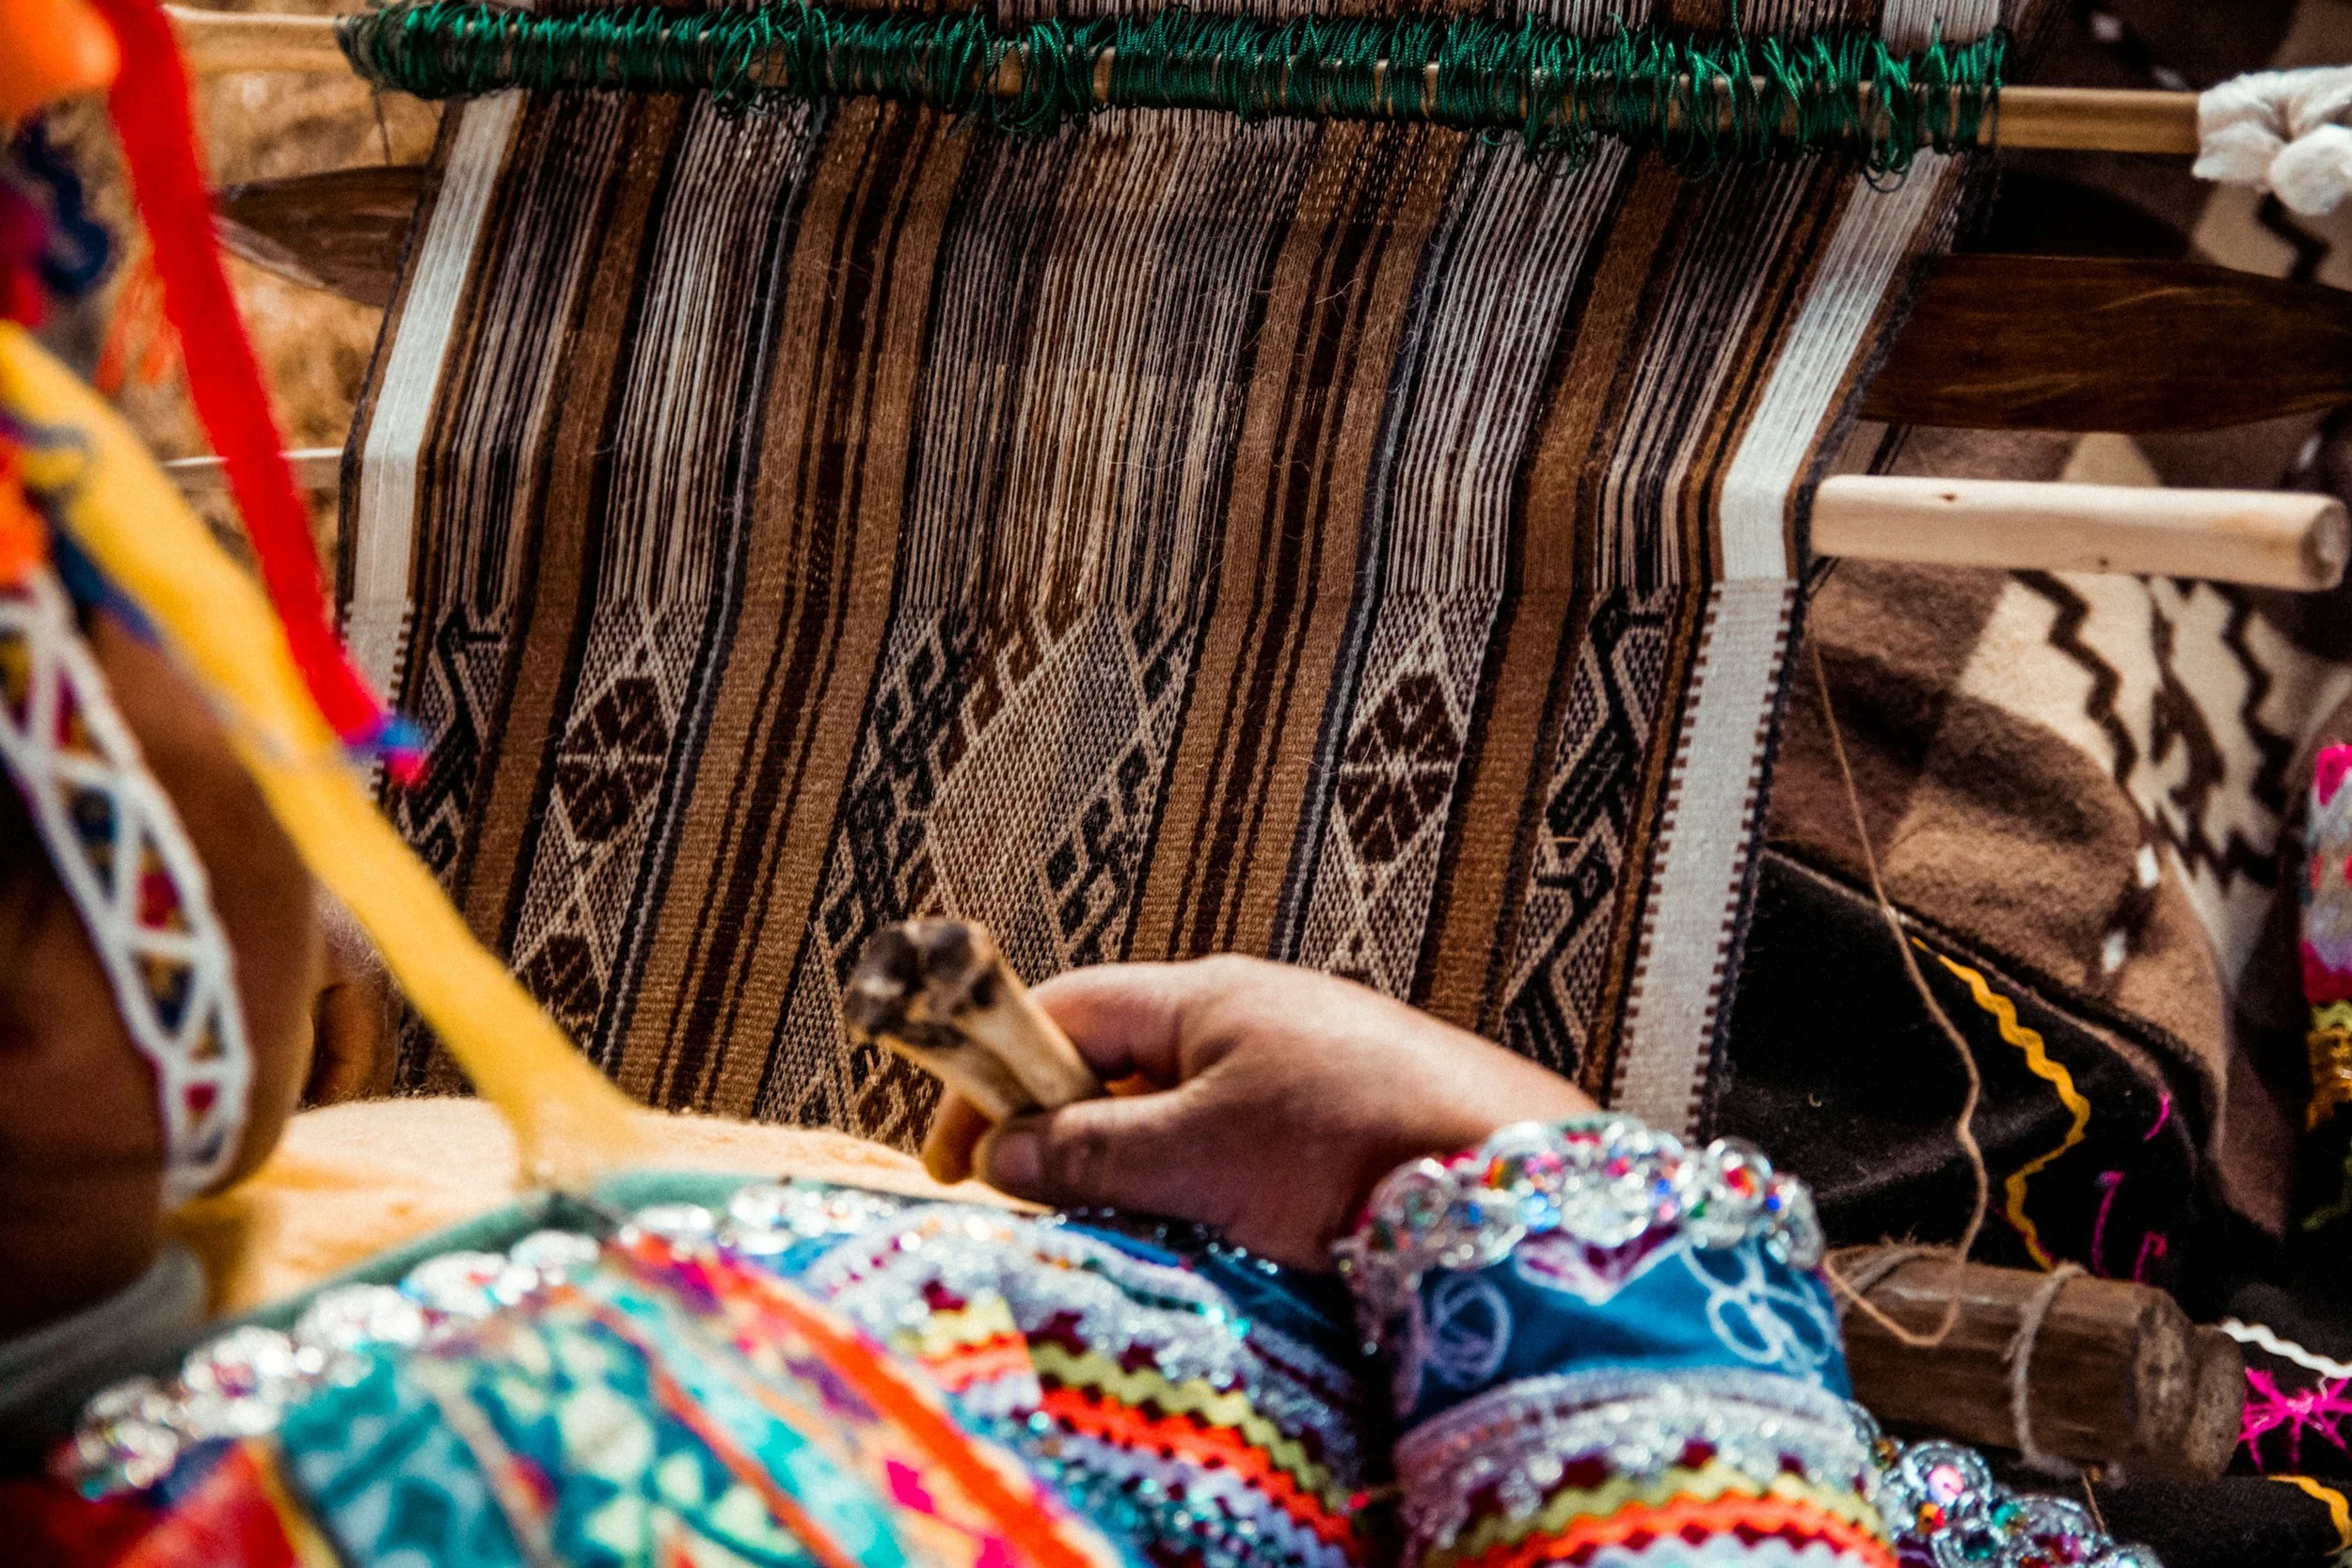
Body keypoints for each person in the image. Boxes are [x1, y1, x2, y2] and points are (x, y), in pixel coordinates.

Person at [0, 613, 2146, 1565]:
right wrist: (1497, 1172)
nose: (284, 663)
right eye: (122, 578)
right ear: (72, 945)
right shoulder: (429, 1508)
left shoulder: (204, 1244)